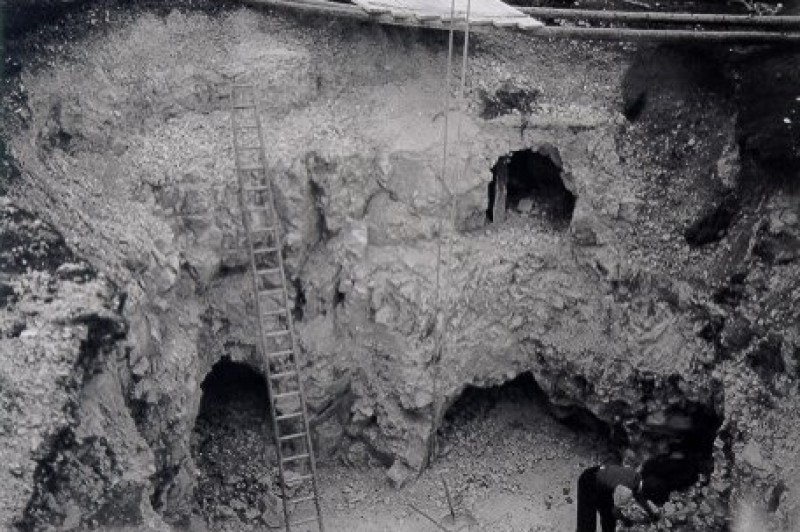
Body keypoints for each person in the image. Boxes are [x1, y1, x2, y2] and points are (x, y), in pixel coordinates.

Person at [576, 464, 665, 532]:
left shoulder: (638, 478)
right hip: (588, 480)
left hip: (605, 483)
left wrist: (651, 514)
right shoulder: (625, 491)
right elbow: (615, 512)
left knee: (609, 519)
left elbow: (640, 498)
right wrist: (625, 520)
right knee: (587, 525)